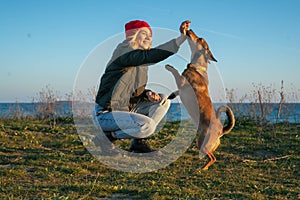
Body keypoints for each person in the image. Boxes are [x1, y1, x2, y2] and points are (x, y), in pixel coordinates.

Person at [93, 19, 191, 154]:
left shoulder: (141, 62)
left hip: (127, 110)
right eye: (144, 33)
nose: (149, 37)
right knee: (147, 126)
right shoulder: (123, 52)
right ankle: (109, 137)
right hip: (106, 114)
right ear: (133, 35)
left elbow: (130, 89)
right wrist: (180, 40)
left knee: (163, 99)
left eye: (150, 35)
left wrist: (147, 94)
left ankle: (138, 143)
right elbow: (150, 56)